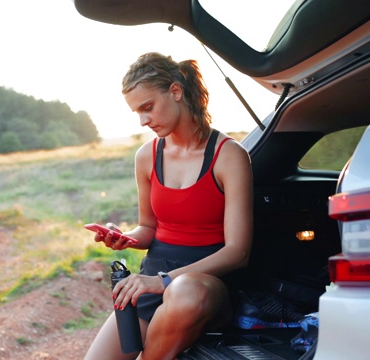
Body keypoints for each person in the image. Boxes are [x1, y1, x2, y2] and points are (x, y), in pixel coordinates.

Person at [85, 52, 253, 360]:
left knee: (185, 292)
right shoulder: (146, 156)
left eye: (148, 107)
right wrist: (126, 238)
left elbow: (237, 252)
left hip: (206, 286)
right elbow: (149, 227)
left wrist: (162, 281)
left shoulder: (230, 156)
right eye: (137, 112)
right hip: (149, 285)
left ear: (175, 92)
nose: (143, 120)